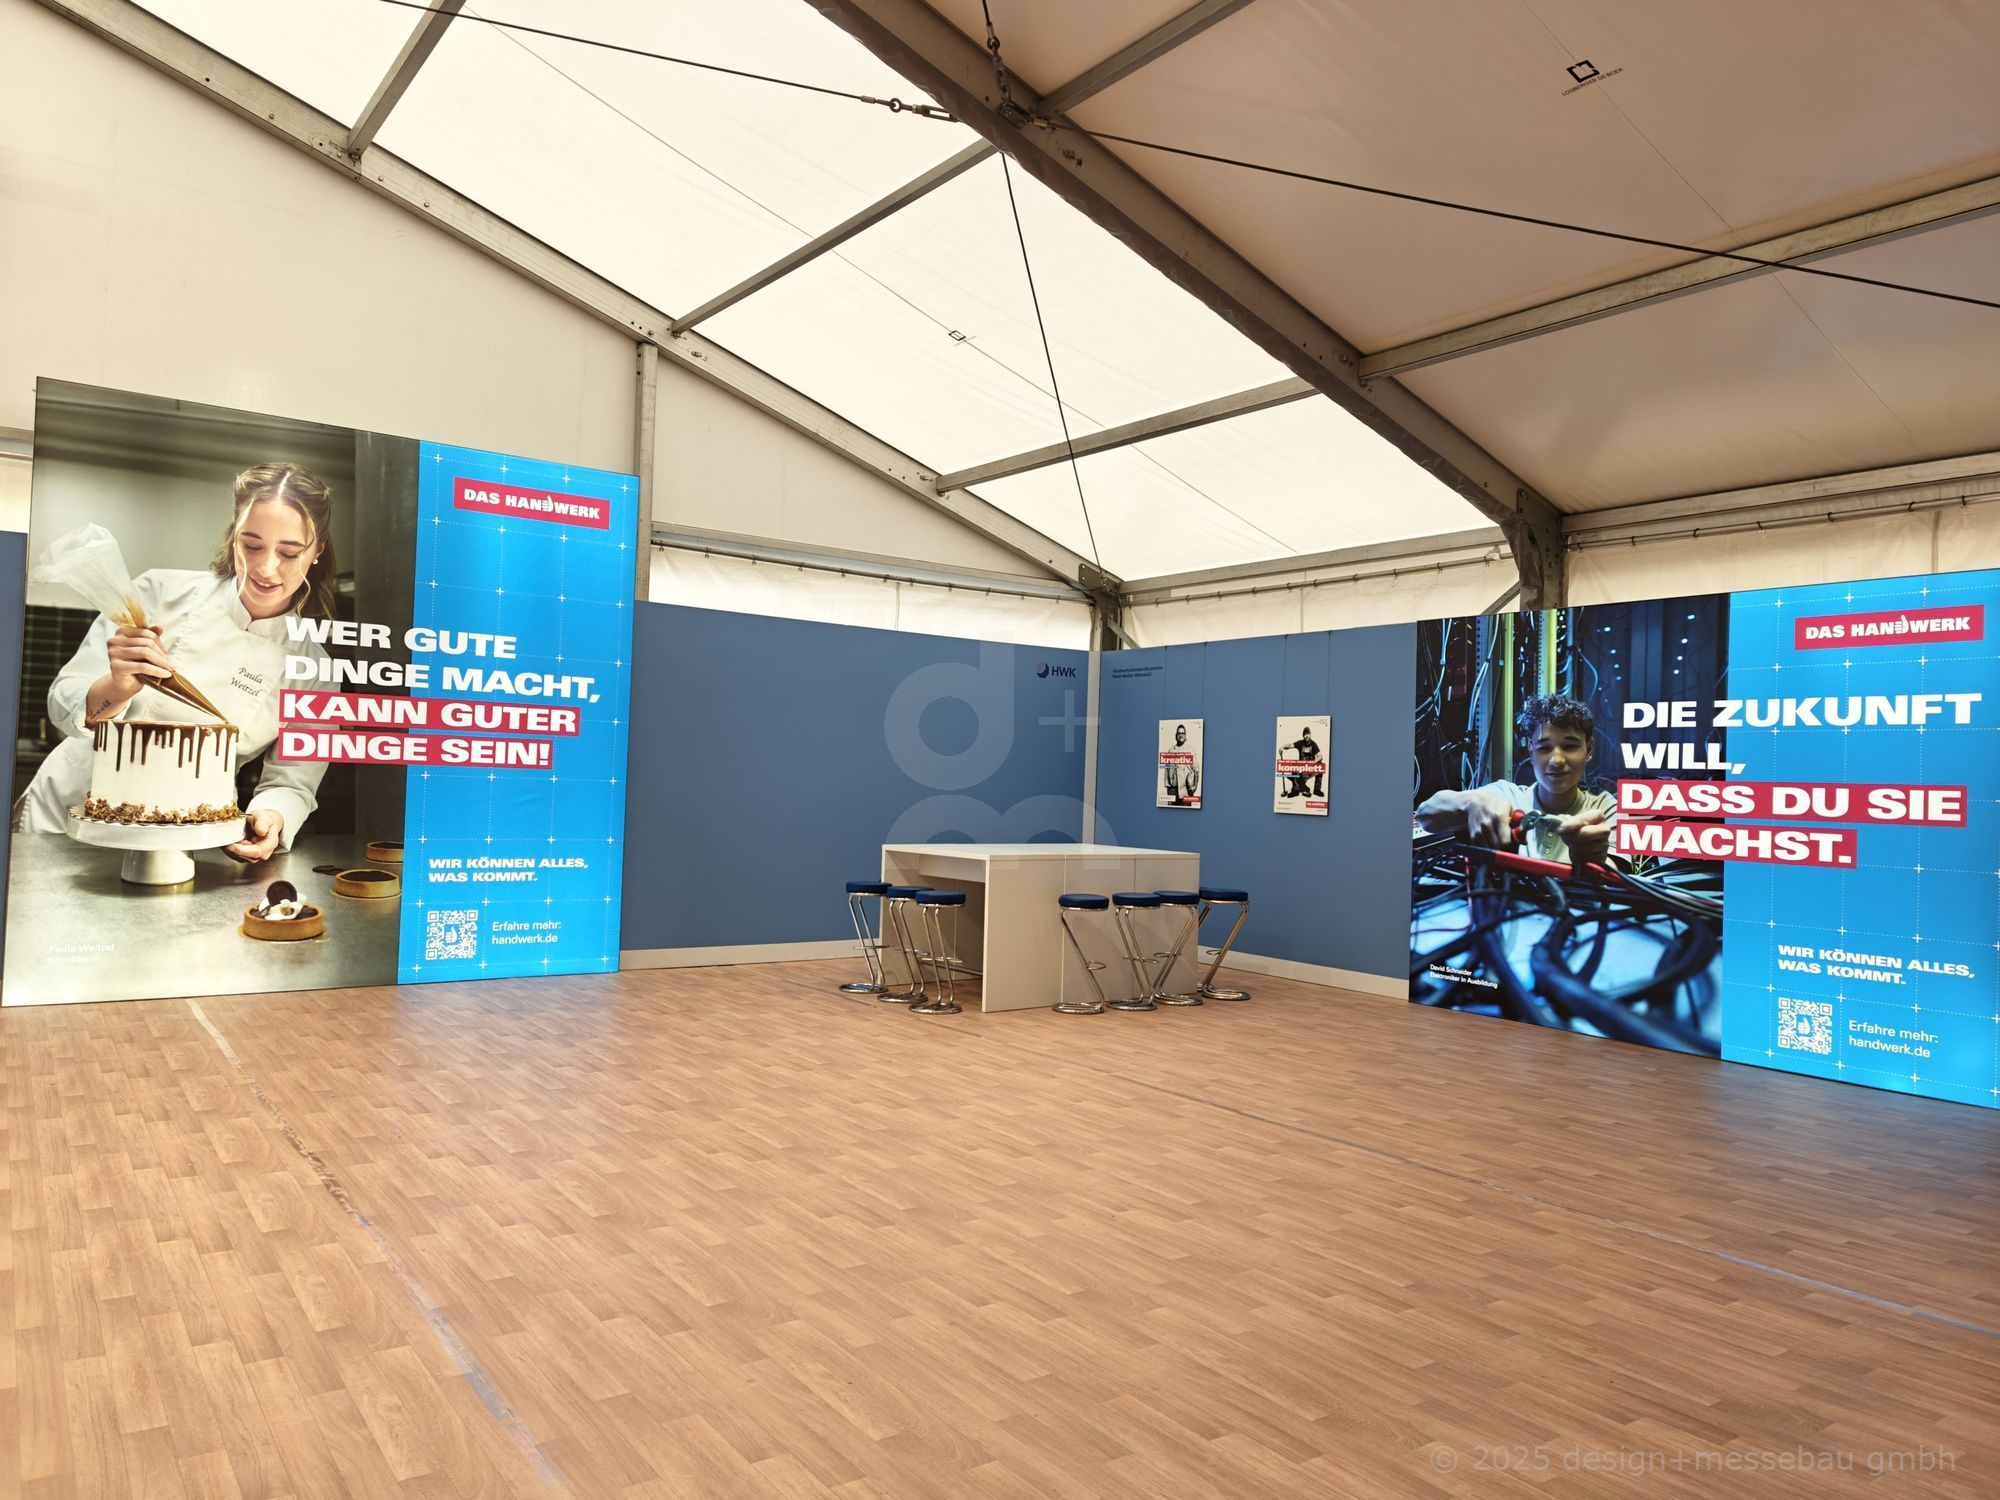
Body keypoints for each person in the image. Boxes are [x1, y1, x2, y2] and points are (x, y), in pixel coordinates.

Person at [18, 462, 334, 862]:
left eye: (289, 552)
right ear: (233, 534)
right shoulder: (157, 593)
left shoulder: (313, 670)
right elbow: (61, 703)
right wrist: (117, 688)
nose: (265, 567)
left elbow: (292, 784)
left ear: (317, 550)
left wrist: (271, 818)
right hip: (68, 817)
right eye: (251, 545)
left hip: (184, 835)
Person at [1416, 692, 1616, 868]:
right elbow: (1425, 815)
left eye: (1570, 746)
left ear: (1589, 749)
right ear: (1531, 752)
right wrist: (1470, 803)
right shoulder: (1505, 795)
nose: (1557, 761)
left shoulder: (1606, 809)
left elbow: (1621, 875)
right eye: (1544, 748)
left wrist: (1595, 860)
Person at [1162, 723, 1199, 806]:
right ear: (1176, 735)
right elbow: (1167, 771)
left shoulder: (1190, 750)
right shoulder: (1171, 750)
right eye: (1179, 733)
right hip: (1173, 790)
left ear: (1185, 735)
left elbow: (1196, 770)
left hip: (1186, 790)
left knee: (1186, 812)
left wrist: (1195, 786)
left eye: (1183, 733)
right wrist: (1169, 789)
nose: (1181, 735)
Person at [1282, 724, 1323, 799]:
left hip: (1310, 769)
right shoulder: (1300, 743)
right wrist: (1283, 747)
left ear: (1310, 734)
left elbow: (1320, 756)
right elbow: (1291, 745)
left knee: (1321, 765)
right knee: (1294, 765)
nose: (1306, 736)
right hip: (1301, 770)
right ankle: (1295, 790)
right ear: (1303, 735)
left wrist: (1313, 762)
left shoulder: (1313, 744)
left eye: (1308, 734)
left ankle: (1317, 790)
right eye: (1305, 734)